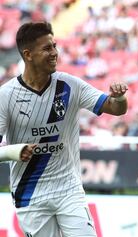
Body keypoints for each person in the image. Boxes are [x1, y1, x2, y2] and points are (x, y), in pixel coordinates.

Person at [0, 22, 128, 237]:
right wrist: (13, 152)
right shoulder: (6, 96)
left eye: (55, 46)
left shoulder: (70, 85)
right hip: (31, 195)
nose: (54, 53)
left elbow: (116, 109)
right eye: (47, 48)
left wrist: (120, 97)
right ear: (28, 54)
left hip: (68, 190)